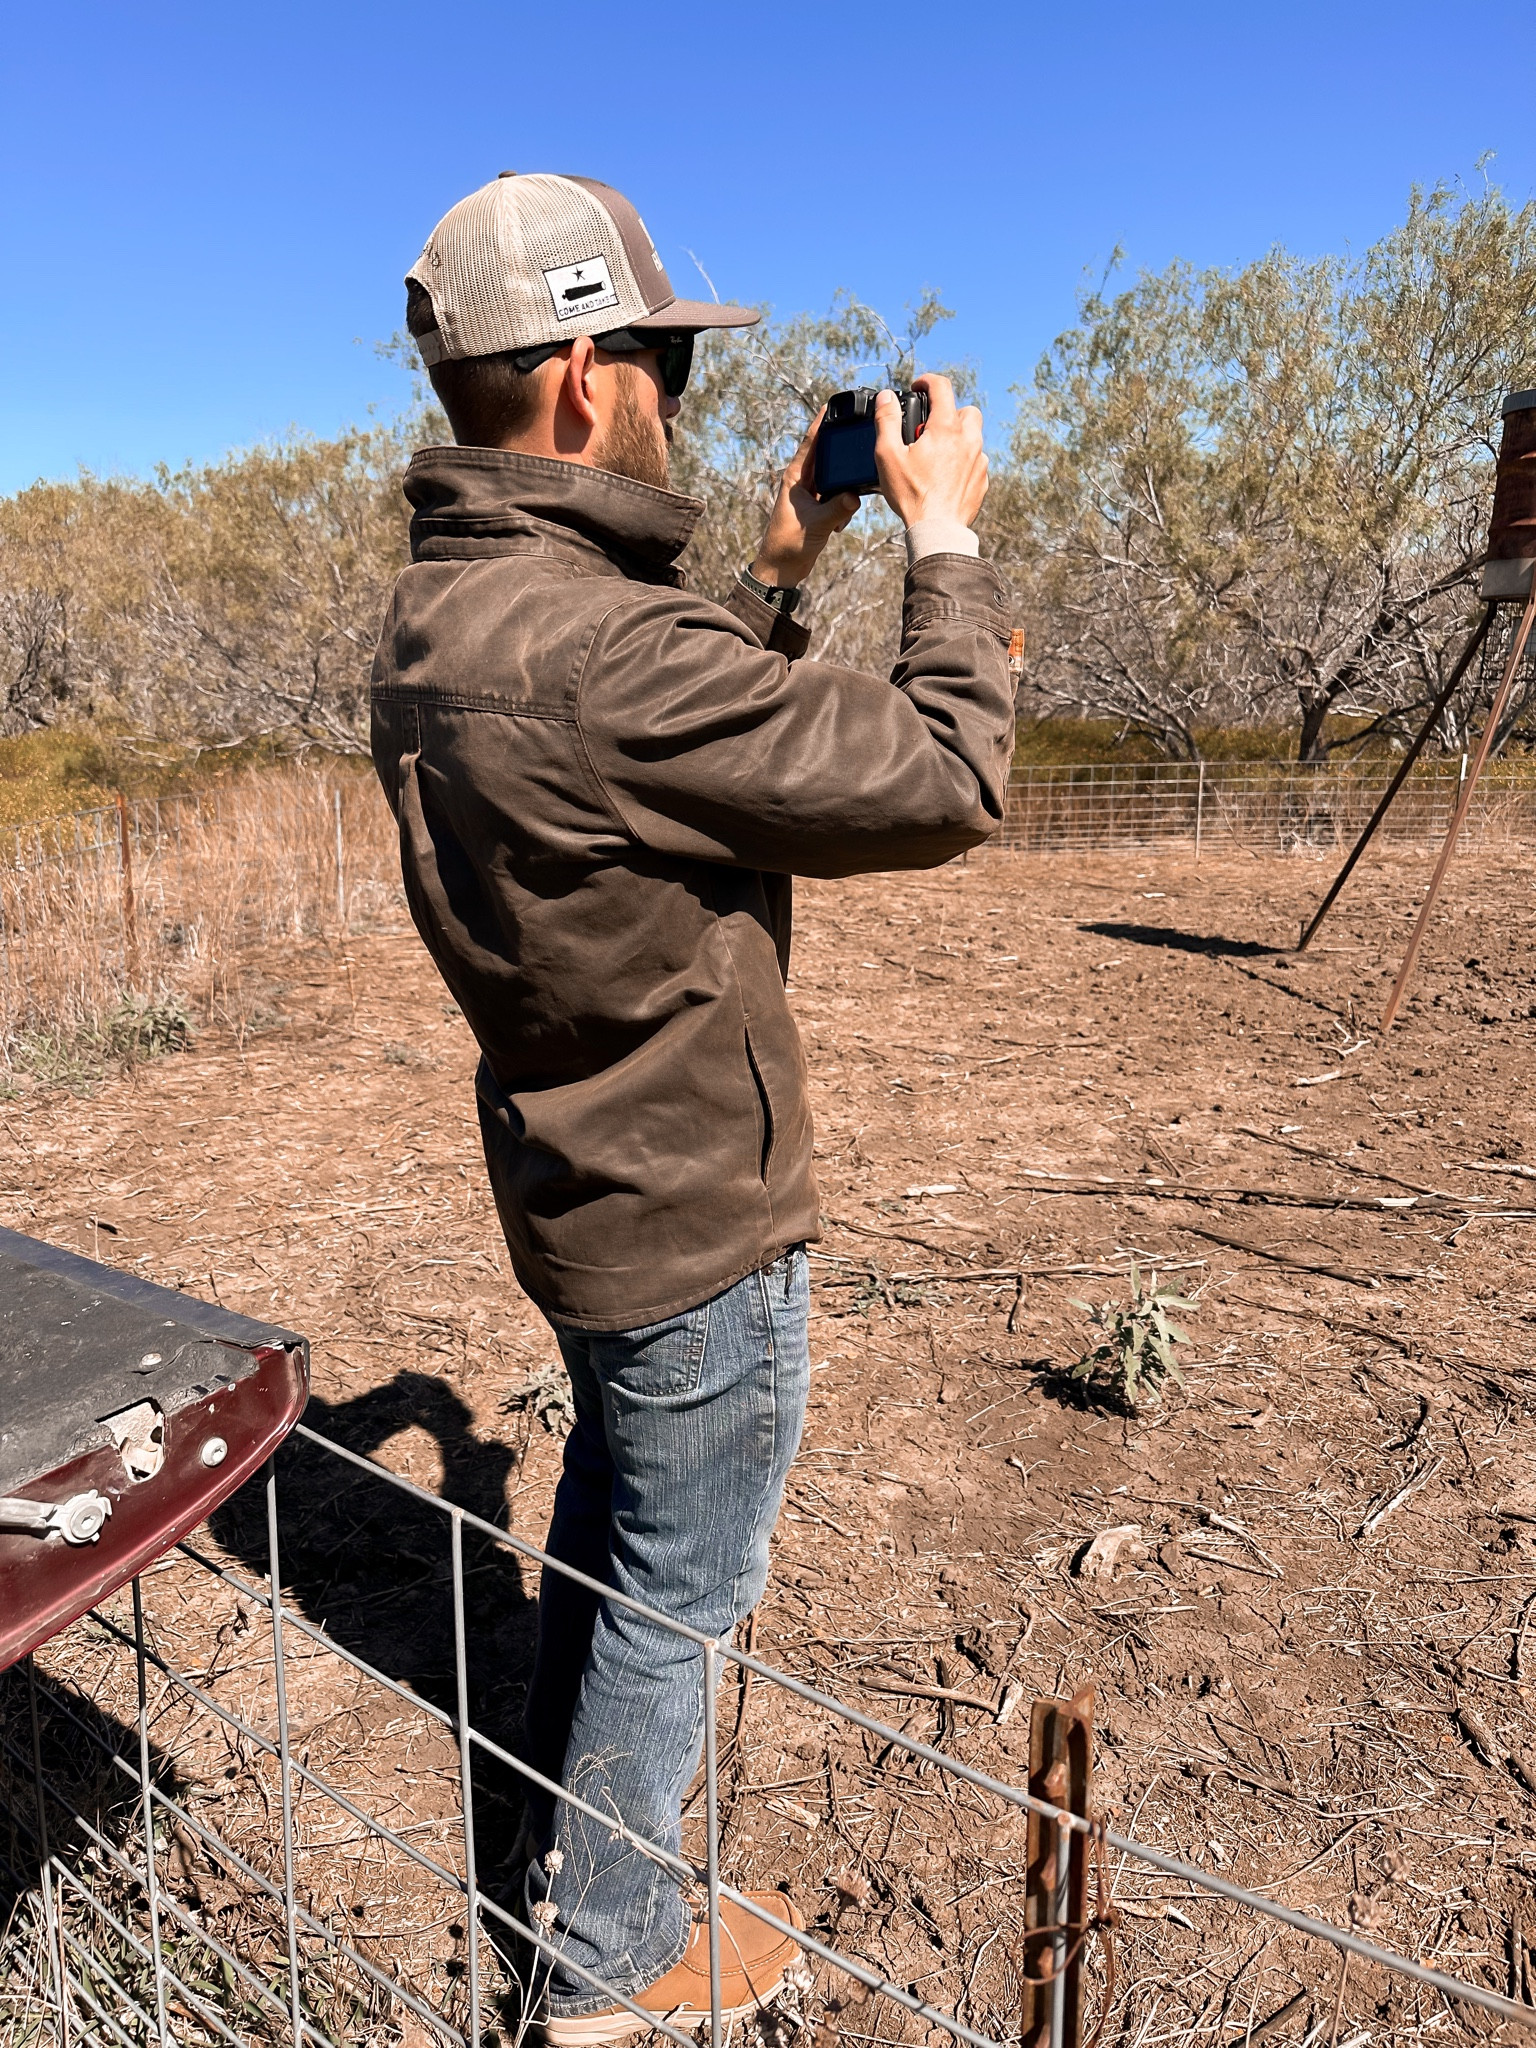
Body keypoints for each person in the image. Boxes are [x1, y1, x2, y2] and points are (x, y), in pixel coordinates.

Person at [370, 171, 1016, 2044]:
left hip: (579, 1176)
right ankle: (606, 1973)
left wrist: (785, 568)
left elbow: (640, 721)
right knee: (681, 1589)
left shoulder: (450, 612)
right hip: (696, 1208)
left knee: (615, 1527)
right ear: (583, 373)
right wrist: (944, 552)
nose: (677, 388)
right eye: (658, 355)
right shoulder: (599, 648)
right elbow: (946, 780)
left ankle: (592, 1872)